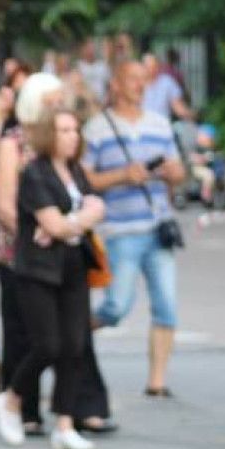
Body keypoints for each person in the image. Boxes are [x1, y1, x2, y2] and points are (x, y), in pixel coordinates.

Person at [0, 104, 105, 449]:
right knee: (47, 345)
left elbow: (96, 208)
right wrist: (73, 221)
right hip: (38, 270)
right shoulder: (35, 173)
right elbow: (57, 222)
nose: (73, 137)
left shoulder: (75, 170)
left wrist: (66, 224)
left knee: (75, 345)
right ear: (47, 135)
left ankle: (65, 422)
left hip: (73, 265)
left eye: (75, 130)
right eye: (64, 130)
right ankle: (11, 399)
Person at [83, 60, 186, 396]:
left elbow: (180, 171)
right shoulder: (97, 128)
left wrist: (174, 173)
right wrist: (122, 176)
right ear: (116, 83)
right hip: (121, 231)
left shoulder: (160, 124)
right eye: (133, 79)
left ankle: (157, 382)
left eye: (144, 80)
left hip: (159, 226)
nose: (140, 85)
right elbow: (84, 179)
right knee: (116, 306)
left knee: (167, 306)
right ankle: (77, 333)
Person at [142, 53, 193, 122]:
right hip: (141, 126)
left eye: (154, 67)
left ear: (158, 67)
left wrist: (188, 114)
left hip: (162, 125)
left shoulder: (168, 82)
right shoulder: (137, 83)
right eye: (148, 67)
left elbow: (177, 105)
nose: (151, 70)